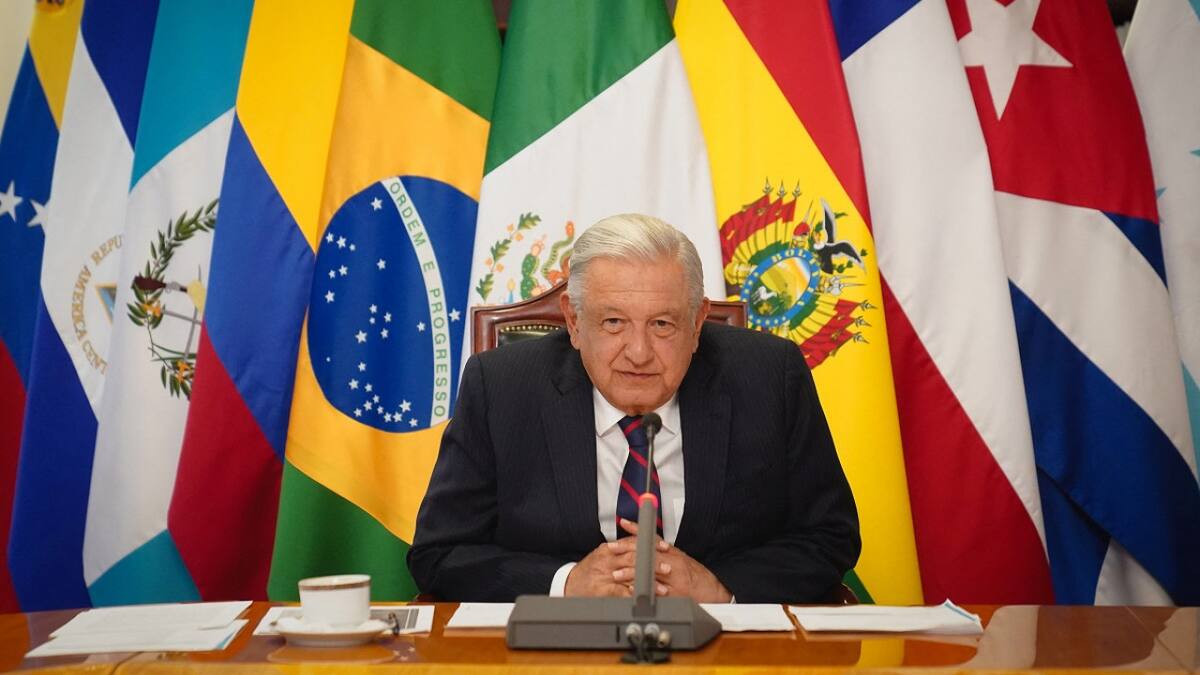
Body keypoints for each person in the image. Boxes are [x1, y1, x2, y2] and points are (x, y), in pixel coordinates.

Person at [408, 214, 860, 603]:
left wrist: (721, 588)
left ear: (699, 321)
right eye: (613, 323)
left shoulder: (769, 377)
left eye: (663, 324)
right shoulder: (502, 386)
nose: (638, 352)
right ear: (573, 321)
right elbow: (440, 553)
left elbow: (830, 537)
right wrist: (566, 583)